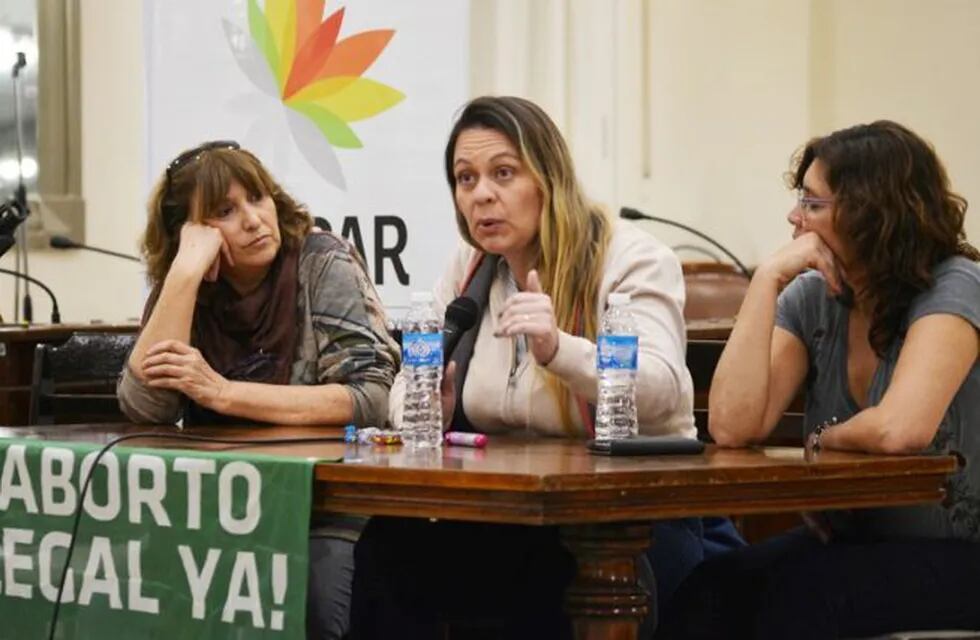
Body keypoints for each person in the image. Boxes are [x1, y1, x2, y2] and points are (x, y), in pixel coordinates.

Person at [348, 96, 742, 639]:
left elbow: (662, 389)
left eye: (503, 173)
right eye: (466, 179)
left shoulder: (629, 258)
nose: (481, 193)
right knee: (390, 547)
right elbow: (405, 386)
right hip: (513, 513)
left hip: (631, 520)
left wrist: (561, 350)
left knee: (546, 580)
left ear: (549, 178)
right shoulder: (469, 269)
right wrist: (429, 408)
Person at [658, 121, 980, 639]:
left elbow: (900, 430)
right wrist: (766, 281)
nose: (794, 216)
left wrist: (821, 437)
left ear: (872, 211)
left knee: (801, 602)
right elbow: (734, 425)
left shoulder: (955, 285)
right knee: (706, 591)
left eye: (813, 203)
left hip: (964, 553)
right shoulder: (814, 296)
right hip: (855, 544)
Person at [117, 140, 400, 639]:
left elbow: (369, 398)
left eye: (258, 197)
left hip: (323, 503)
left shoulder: (321, 261)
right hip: (220, 503)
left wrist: (224, 394)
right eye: (225, 211)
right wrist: (183, 274)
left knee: (315, 599)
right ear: (191, 231)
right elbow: (146, 406)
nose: (253, 219)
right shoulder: (190, 280)